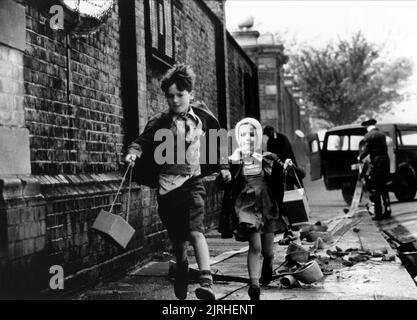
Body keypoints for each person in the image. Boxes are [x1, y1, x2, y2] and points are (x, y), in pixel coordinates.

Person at [125, 64, 230, 300]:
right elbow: (141, 141)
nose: (175, 100)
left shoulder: (203, 119)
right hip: (168, 189)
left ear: (190, 94)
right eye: (170, 96)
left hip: (193, 184)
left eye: (180, 95)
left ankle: (206, 281)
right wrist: (133, 152)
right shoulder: (160, 122)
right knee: (179, 241)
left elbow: (218, 142)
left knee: (195, 232)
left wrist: (223, 168)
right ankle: (182, 269)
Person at [217, 118, 290, 300]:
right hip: (246, 207)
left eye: (252, 134)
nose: (248, 138)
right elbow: (222, 183)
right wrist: (223, 176)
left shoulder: (267, 158)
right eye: (243, 134)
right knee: (255, 246)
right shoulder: (232, 160)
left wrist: (287, 166)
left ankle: (268, 265)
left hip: (267, 206)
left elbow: (285, 176)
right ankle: (254, 284)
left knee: (268, 251)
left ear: (257, 136)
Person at [262, 126, 306, 234]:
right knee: (283, 200)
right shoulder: (281, 138)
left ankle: (292, 223)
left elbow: (282, 157)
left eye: (268, 134)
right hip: (282, 174)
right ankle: (289, 224)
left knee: (286, 200)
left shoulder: (277, 139)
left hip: (282, 174)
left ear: (271, 132)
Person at [358, 119, 391, 220]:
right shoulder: (382, 134)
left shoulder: (369, 136)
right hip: (385, 161)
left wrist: (360, 157)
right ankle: (388, 209)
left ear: (367, 127)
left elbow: (367, 150)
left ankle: (378, 213)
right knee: (384, 187)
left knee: (376, 187)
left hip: (377, 162)